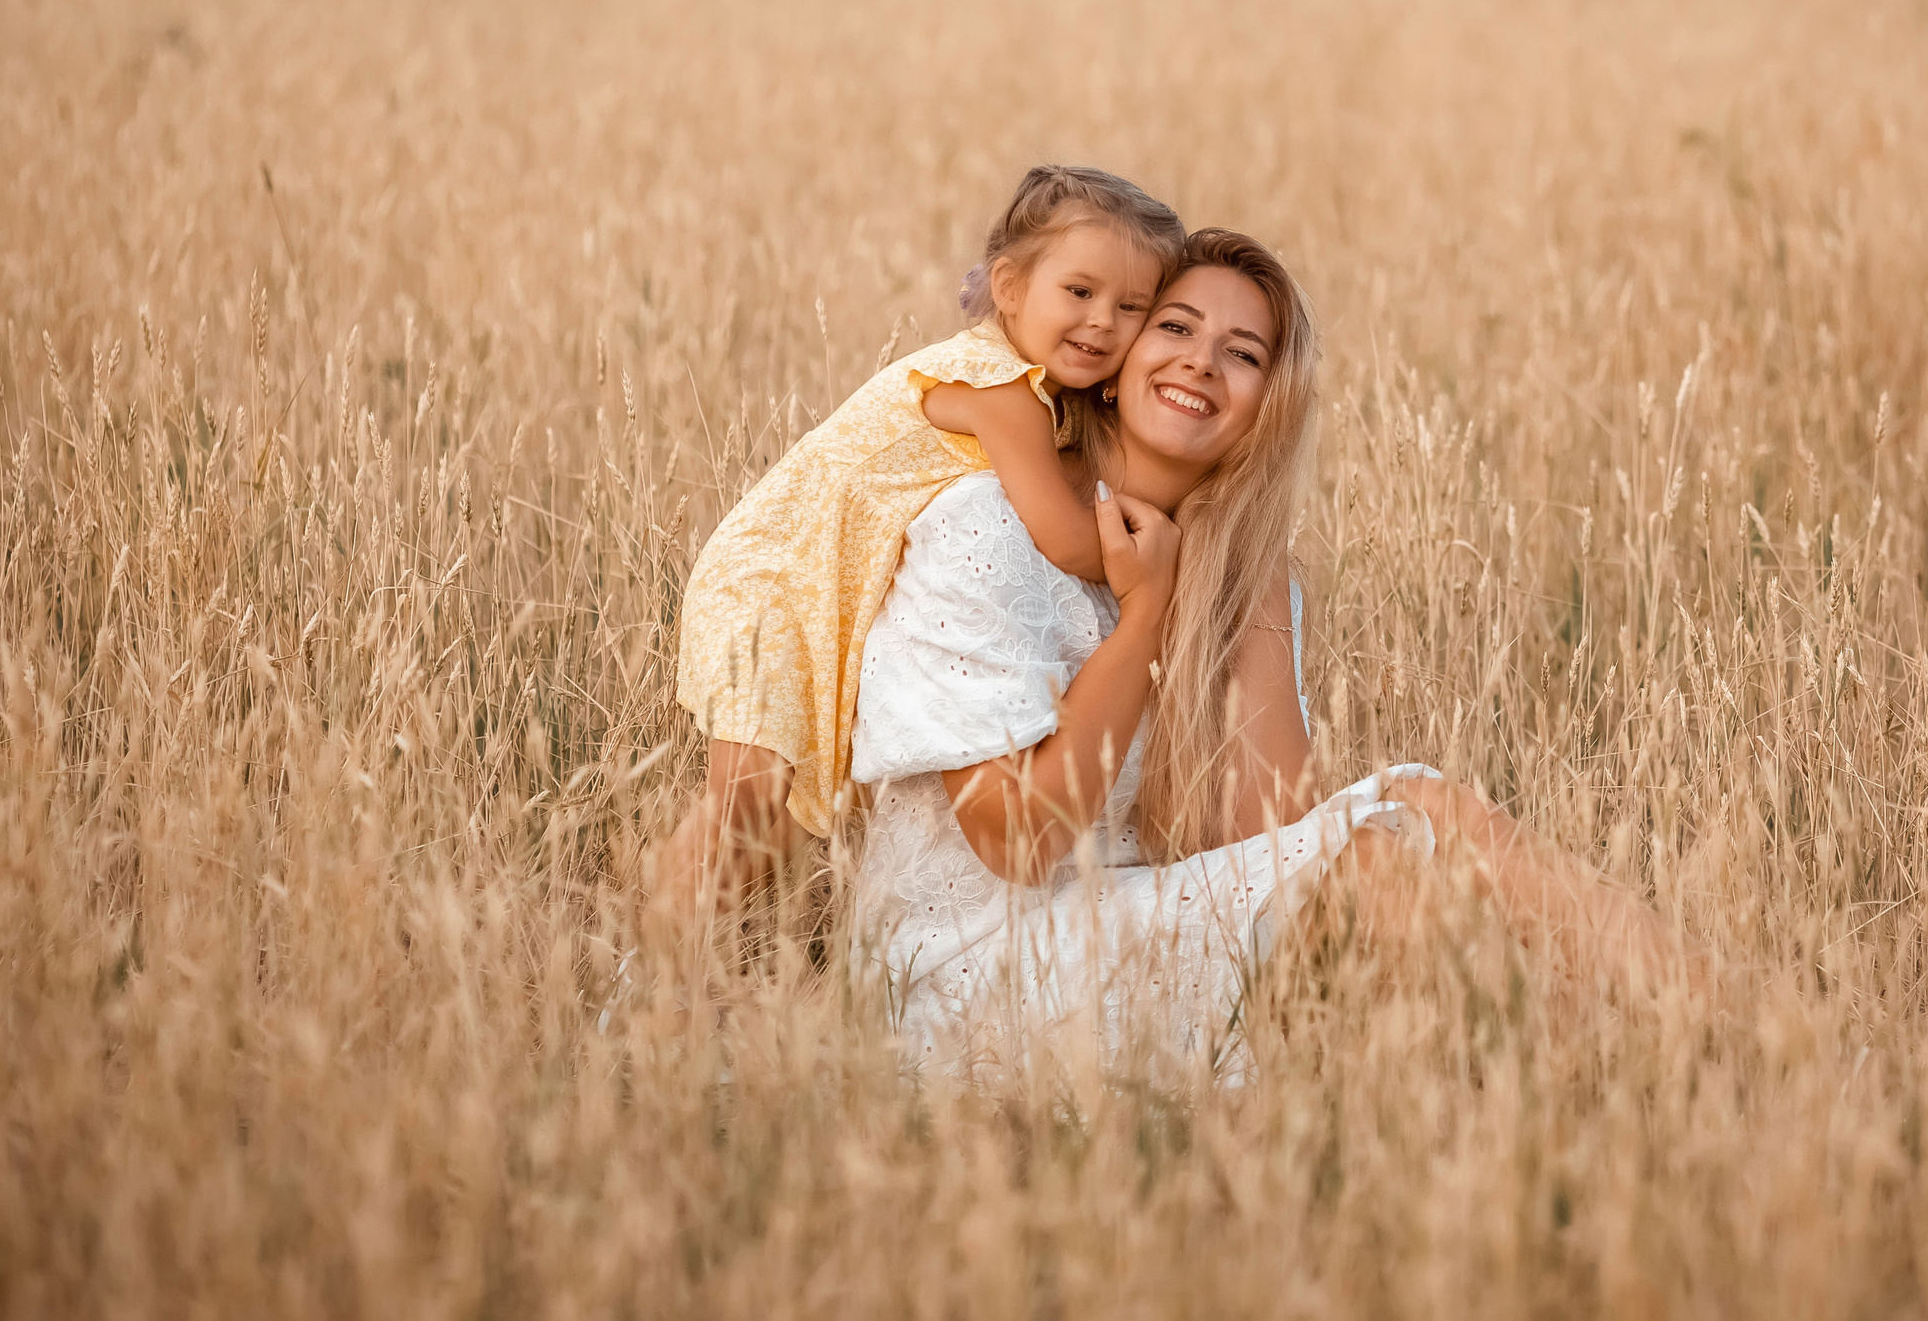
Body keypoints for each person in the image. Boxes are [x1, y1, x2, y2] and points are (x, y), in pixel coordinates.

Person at [658, 230, 1697, 1076]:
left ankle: (1714, 1033)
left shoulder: (1241, 578)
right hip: (976, 967)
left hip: (1137, 929)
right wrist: (1146, 615)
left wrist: (1240, 583)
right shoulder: (985, 526)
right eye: (1178, 327)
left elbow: (1261, 835)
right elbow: (1017, 843)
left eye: (1243, 354)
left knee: (1420, 804)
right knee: (1385, 853)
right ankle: (1650, 1071)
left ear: (1264, 411)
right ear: (1111, 370)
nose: (1203, 358)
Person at [671, 165, 1184, 867]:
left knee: (770, 831)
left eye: (1133, 307)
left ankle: (689, 951)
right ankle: (652, 964)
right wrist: (1157, 567)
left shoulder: (1037, 391)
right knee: (745, 809)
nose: (1103, 320)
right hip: (773, 584)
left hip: (811, 587)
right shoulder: (1001, 389)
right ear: (1009, 288)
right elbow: (1064, 536)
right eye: (1080, 291)